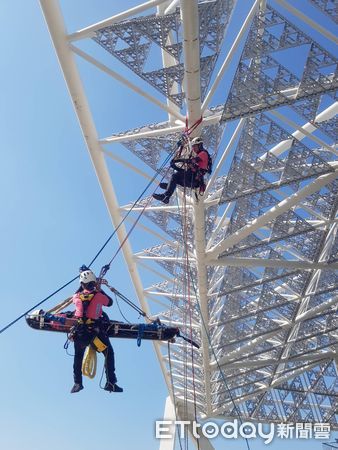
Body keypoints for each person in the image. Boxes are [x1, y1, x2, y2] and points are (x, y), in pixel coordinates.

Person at [70, 267, 123, 394]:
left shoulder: (76, 296)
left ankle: (77, 383)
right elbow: (109, 302)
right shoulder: (99, 296)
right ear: (94, 283)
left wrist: (82, 279)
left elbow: (79, 292)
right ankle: (110, 383)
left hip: (80, 333)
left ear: (82, 284)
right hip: (95, 335)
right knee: (108, 353)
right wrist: (100, 289)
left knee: (78, 357)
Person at [152, 137, 211, 204]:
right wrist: (174, 166)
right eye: (193, 147)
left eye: (195, 146)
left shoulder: (203, 154)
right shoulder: (198, 159)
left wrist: (178, 160)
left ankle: (166, 196)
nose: (193, 148)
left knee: (175, 176)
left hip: (194, 179)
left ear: (200, 145)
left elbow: (191, 161)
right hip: (192, 180)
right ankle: (169, 187)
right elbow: (186, 171)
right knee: (175, 177)